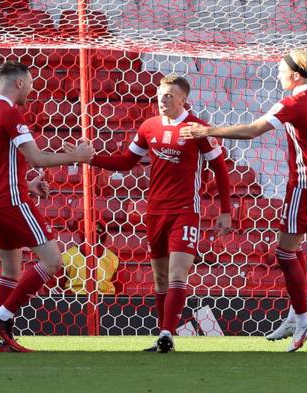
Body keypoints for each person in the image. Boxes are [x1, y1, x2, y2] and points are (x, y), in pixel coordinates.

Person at [181, 49, 307, 352]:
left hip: (302, 183)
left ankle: (303, 319)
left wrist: (207, 130)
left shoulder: (293, 103)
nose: (278, 75)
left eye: (280, 71)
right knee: (294, 247)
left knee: (284, 253)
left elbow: (253, 131)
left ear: (295, 75)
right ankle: (295, 313)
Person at [68, 75, 232, 353]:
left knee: (178, 273)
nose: (162, 100)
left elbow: (220, 169)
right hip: (155, 212)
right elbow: (126, 161)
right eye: (160, 95)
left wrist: (225, 210)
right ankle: (162, 336)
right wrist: (91, 158)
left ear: (184, 99)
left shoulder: (197, 129)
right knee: (160, 278)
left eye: (169, 95)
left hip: (185, 211)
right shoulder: (149, 127)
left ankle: (168, 333)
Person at [0, 61, 94, 352]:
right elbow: (37, 159)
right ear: (18, 83)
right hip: (11, 200)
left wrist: (27, 184)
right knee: (53, 261)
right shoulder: (9, 113)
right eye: (29, 83)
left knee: (10, 270)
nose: (31, 88)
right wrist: (77, 156)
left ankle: (4, 339)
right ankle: (2, 317)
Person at [61, 220, 119, 294]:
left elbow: (119, 288)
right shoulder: (67, 257)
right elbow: (54, 287)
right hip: (75, 301)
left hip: (105, 301)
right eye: (92, 230)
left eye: (98, 229)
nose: (95, 233)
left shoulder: (113, 258)